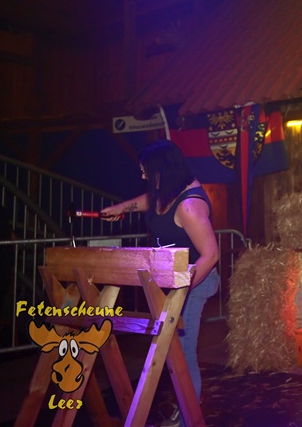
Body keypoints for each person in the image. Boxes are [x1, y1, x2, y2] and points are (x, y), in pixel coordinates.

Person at [101, 139, 219, 426]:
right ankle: (186, 409)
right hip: (175, 283)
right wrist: (123, 207)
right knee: (171, 350)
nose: (143, 176)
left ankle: (190, 420)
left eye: (146, 171)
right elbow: (149, 200)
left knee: (182, 351)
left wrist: (182, 289)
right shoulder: (166, 191)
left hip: (195, 283)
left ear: (161, 170)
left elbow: (211, 254)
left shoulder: (189, 206)